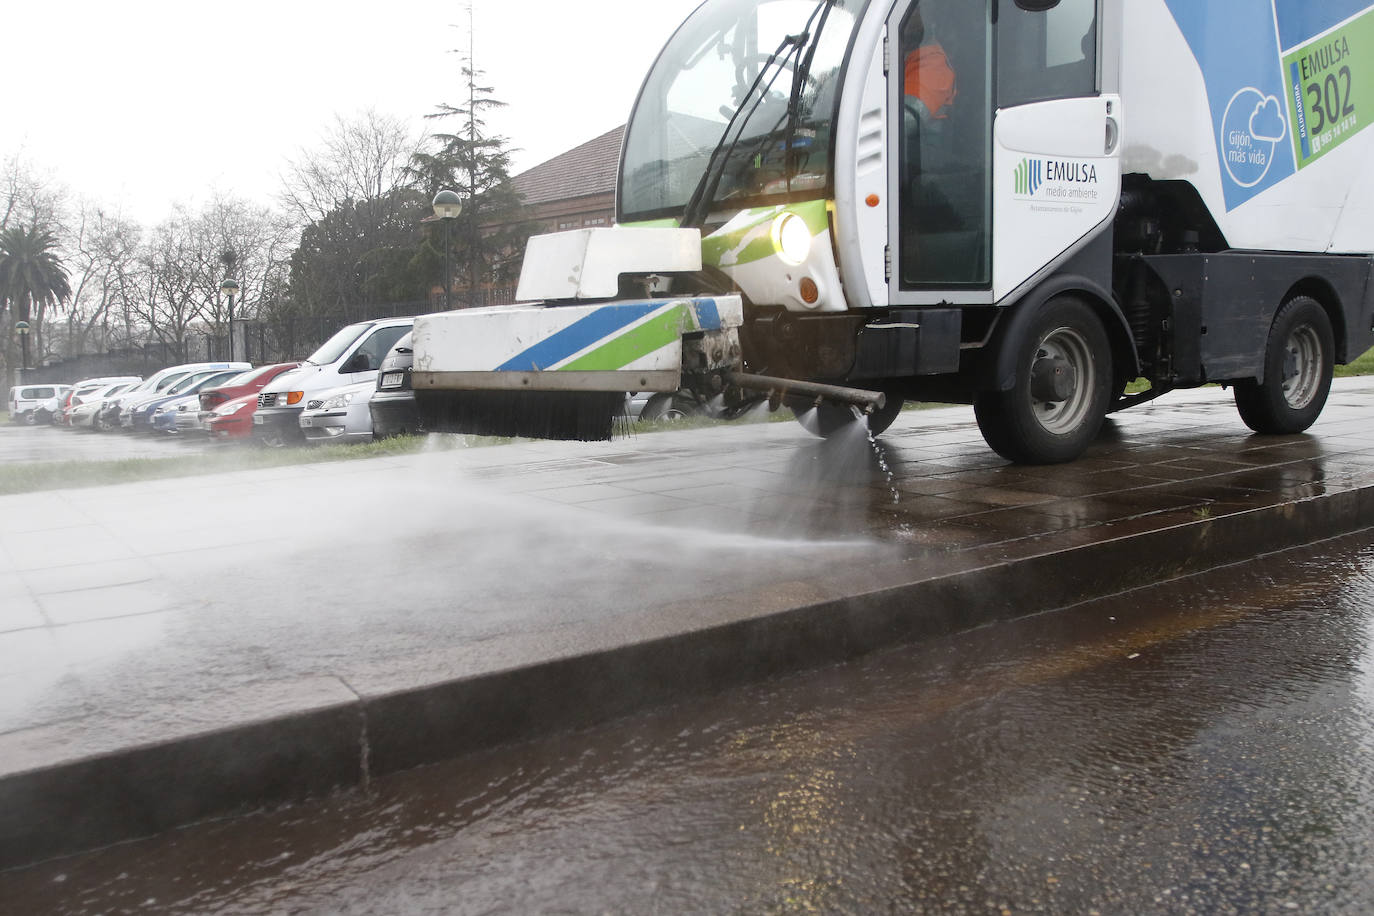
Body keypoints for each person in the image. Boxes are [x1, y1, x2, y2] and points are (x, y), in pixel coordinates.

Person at [901, 7, 957, 120]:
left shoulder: (935, 67)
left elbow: (905, 120)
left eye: (917, 9)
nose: (910, 14)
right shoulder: (904, 58)